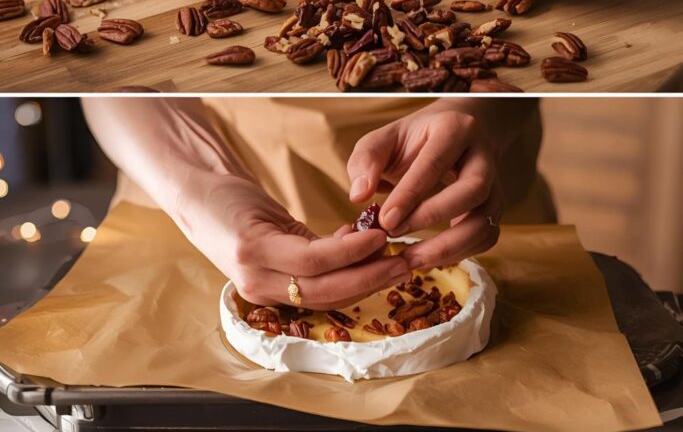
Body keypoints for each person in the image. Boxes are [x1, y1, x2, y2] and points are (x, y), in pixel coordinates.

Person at [83, 95, 554, 310]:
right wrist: (198, 188)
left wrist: (482, 116)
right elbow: (102, 81)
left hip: (459, 204)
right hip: (182, 200)